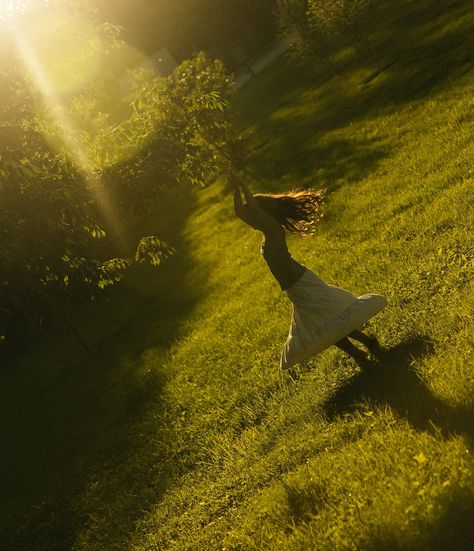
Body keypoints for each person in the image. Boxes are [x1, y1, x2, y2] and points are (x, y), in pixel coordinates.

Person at [231, 172, 387, 374]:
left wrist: (243, 185)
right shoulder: (266, 231)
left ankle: (364, 347)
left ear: (262, 214)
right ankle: (364, 348)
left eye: (253, 216)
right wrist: (235, 189)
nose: (249, 221)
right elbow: (240, 212)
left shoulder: (273, 229)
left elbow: (251, 208)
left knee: (326, 322)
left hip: (302, 282)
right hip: (294, 286)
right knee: (322, 325)